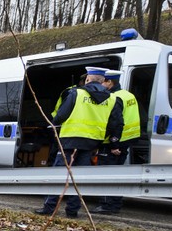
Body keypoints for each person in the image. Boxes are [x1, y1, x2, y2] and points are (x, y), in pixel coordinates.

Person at [34, 66, 123, 218]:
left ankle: (49, 208)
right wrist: (109, 140)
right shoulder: (113, 99)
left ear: (88, 79)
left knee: (59, 175)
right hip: (91, 143)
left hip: (70, 140)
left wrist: (54, 125)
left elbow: (61, 115)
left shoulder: (76, 93)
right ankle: (72, 210)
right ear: (103, 81)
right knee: (79, 178)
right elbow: (116, 123)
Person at [91, 69, 141, 214]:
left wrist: (113, 144)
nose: (102, 84)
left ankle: (106, 205)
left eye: (104, 82)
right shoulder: (128, 95)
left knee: (106, 175)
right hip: (125, 141)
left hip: (114, 144)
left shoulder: (114, 97)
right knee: (118, 176)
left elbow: (115, 123)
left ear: (110, 82)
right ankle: (115, 205)